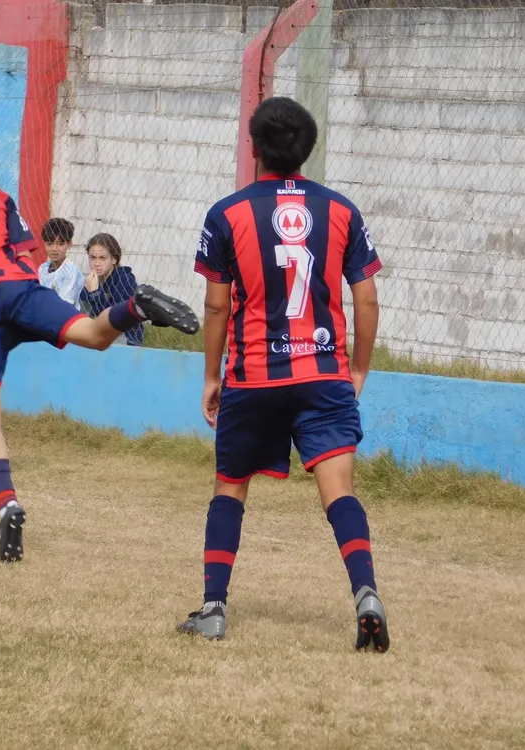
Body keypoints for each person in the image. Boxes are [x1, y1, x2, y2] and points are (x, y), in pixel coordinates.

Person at [0, 118, 199, 564]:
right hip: (19, 287)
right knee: (93, 335)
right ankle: (138, 307)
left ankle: (7, 502)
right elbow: (28, 253)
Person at [176, 97, 389, 652]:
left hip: (254, 376)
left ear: (254, 148)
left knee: (231, 488)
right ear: (307, 150)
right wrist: (357, 367)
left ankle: (214, 607)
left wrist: (210, 376)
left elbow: (217, 307)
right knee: (338, 491)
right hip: (323, 374)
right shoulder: (341, 211)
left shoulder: (226, 213)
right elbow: (365, 298)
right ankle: (365, 593)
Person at [79, 233, 142, 346]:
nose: (96, 264)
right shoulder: (90, 282)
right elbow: (84, 318)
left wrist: (95, 293)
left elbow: (115, 322)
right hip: (99, 340)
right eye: (93, 258)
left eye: (102, 258)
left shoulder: (125, 281)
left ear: (114, 259)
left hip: (126, 342)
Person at [37, 217, 83, 309]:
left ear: (69, 244)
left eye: (60, 244)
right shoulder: (42, 269)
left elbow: (65, 305)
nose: (54, 249)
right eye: (49, 244)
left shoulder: (71, 271)